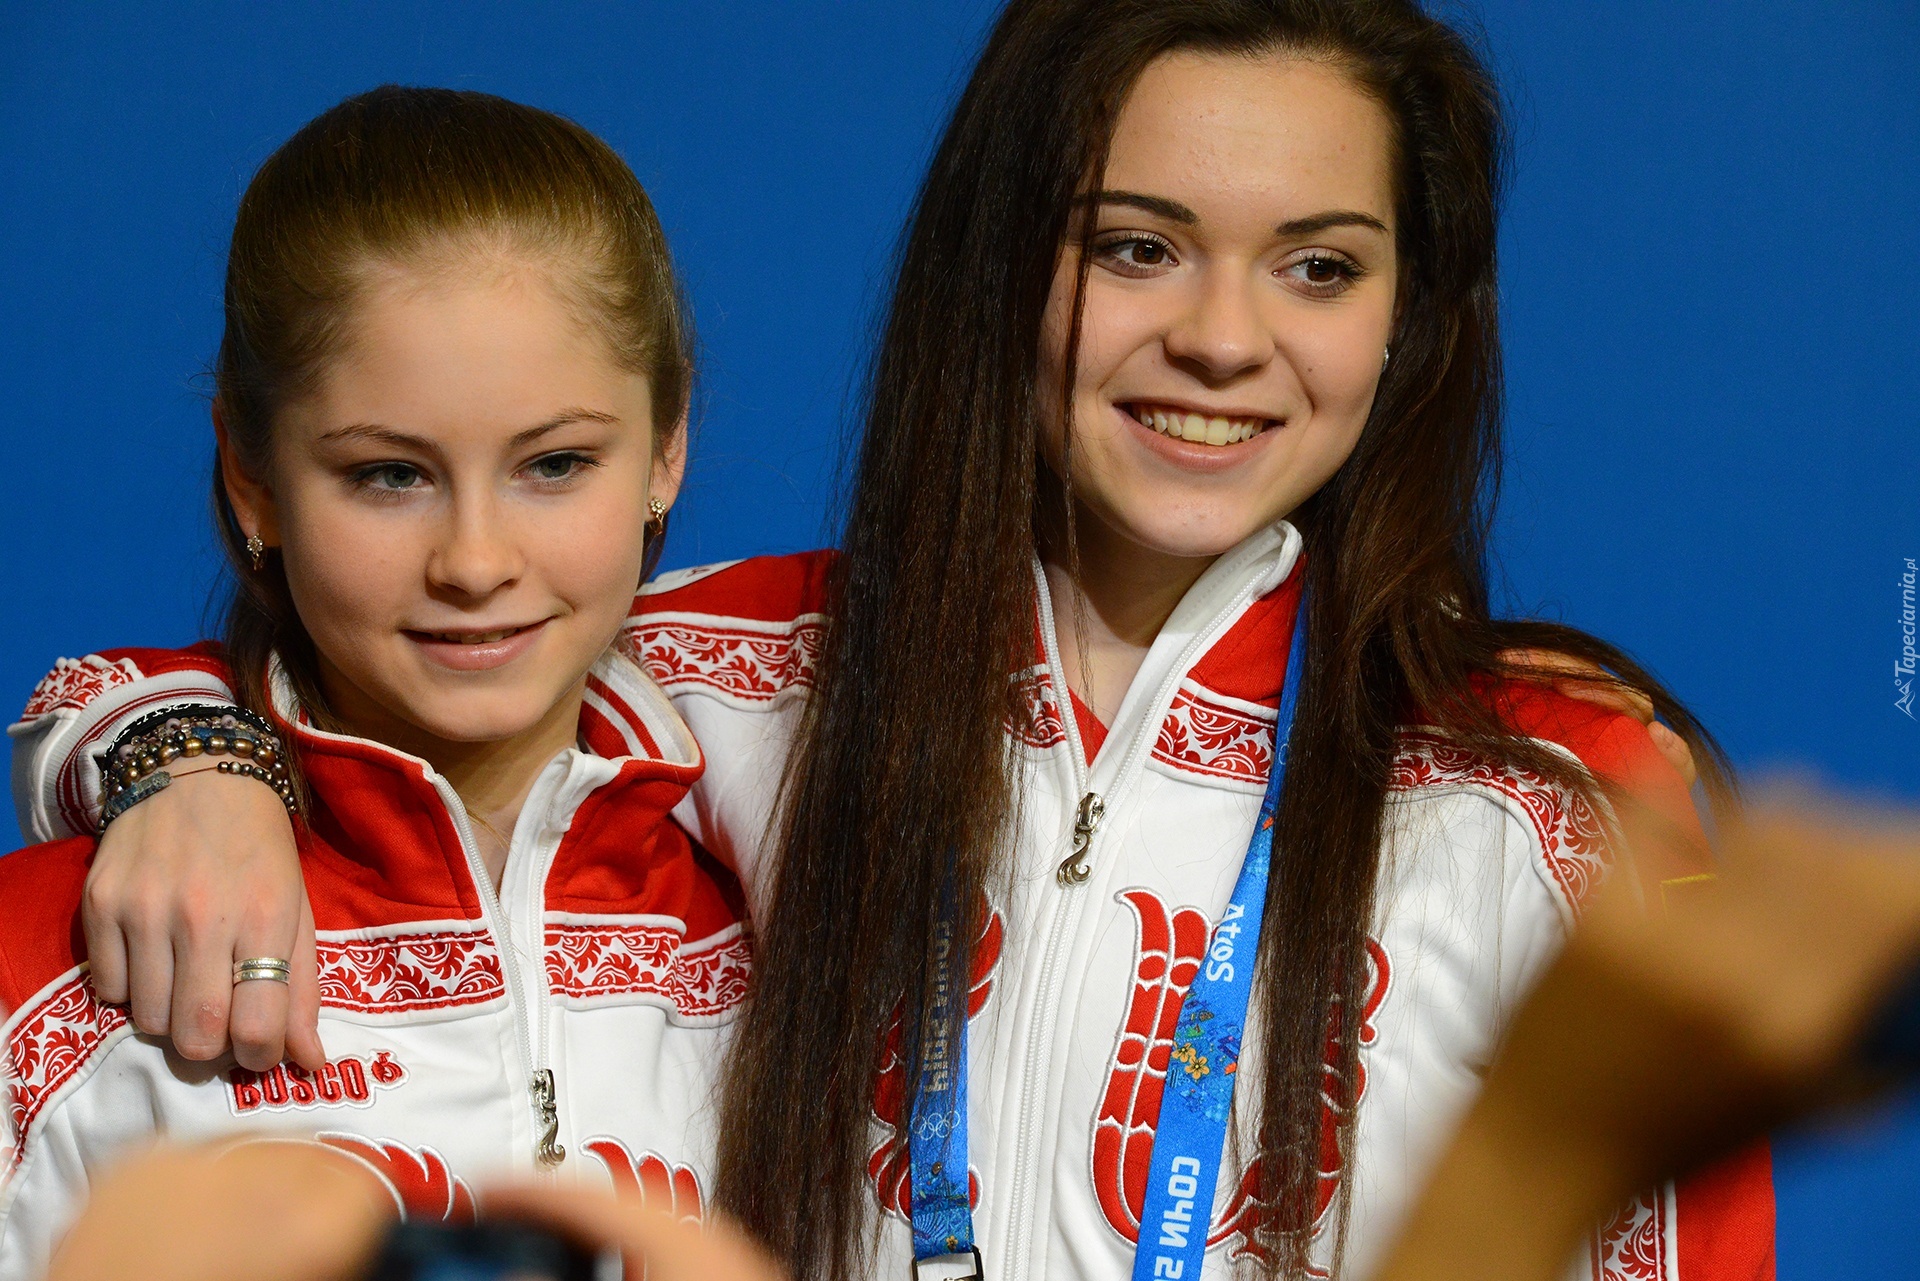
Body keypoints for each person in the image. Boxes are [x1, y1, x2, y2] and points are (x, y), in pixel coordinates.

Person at [9, 2, 1775, 1279]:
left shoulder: (1557, 803)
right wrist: (185, 759)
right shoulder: (740, 678)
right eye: (1138, 246)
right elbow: (398, 695)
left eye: (1320, 266)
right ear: (1005, 266)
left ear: (1410, 316)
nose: (1225, 339)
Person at [0, 86, 748, 1277]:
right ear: (252, 477)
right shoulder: (54, 964)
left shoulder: (788, 912)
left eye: (555, 463)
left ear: (667, 448)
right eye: (390, 476)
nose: (476, 563)